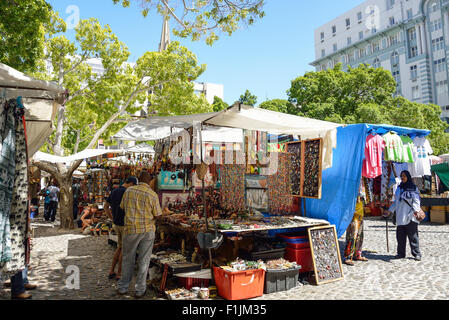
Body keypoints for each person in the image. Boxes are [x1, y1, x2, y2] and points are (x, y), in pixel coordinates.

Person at [117, 171, 162, 298]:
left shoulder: (128, 191)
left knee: (128, 258)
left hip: (130, 229)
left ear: (138, 179)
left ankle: (123, 287)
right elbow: (158, 214)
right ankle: (140, 289)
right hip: (147, 230)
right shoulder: (152, 195)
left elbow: (122, 207)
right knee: (144, 260)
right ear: (149, 181)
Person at [383, 170, 422, 261]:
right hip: (400, 217)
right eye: (402, 176)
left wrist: (416, 211)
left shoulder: (413, 188)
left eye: (404, 176)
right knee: (400, 237)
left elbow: (416, 201)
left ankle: (417, 253)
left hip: (410, 216)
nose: (403, 177)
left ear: (408, 177)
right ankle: (401, 253)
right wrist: (389, 211)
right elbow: (396, 202)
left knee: (413, 237)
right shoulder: (399, 188)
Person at [105, 176, 137, 281]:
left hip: (116, 224)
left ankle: (111, 271)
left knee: (119, 247)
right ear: (131, 183)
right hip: (125, 225)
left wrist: (111, 217)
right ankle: (119, 273)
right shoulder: (128, 192)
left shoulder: (114, 191)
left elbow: (106, 206)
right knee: (124, 249)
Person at [343, 196, 368, 266]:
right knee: (352, 236)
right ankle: (347, 256)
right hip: (353, 212)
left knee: (360, 235)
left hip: (360, 212)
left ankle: (357, 254)